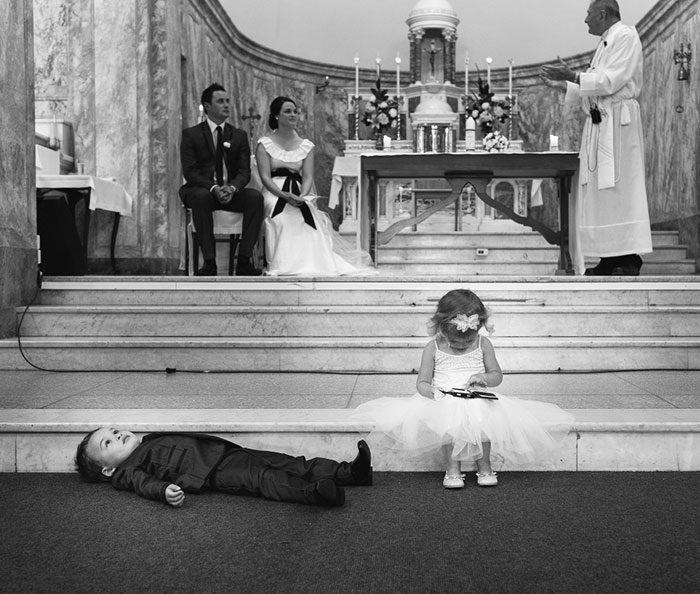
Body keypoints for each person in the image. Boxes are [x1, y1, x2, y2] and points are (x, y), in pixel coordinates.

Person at [352, 289, 574, 488]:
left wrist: (484, 377)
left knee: (484, 425)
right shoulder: (432, 348)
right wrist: (431, 392)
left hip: (476, 395)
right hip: (444, 397)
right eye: (456, 343)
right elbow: (421, 383)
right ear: (441, 328)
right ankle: (452, 468)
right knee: (448, 428)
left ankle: (484, 465)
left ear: (478, 329)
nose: (461, 346)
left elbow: (497, 376)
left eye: (466, 343)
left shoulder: (483, 344)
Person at [540, 0, 652, 276]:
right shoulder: (604, 44)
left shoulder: (625, 36)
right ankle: (610, 257)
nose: (586, 20)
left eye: (588, 14)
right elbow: (595, 83)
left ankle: (629, 258)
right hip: (602, 121)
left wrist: (574, 76)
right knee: (604, 195)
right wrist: (566, 83)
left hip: (618, 123)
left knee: (620, 190)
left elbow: (610, 81)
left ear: (603, 13)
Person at [75, 427, 373, 507]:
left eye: (114, 431)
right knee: (264, 478)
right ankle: (316, 493)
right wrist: (164, 490)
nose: (116, 435)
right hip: (213, 473)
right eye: (108, 443)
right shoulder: (126, 472)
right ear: (108, 470)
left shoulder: (145, 443)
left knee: (285, 461)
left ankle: (348, 472)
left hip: (221, 452)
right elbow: (144, 484)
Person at [255, 96, 375, 276]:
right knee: (279, 216)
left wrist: (302, 197)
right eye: (288, 111)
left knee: (308, 216)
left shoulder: (306, 145)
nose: (293, 114)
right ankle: (282, 264)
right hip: (274, 190)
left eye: (295, 111)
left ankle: (313, 263)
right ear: (276, 116)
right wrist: (284, 195)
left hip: (298, 191)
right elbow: (264, 177)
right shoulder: (264, 144)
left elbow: (308, 176)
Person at [179, 83, 264, 276]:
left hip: (230, 192)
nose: (226, 105)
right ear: (207, 106)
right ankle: (209, 263)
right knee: (200, 197)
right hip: (203, 191)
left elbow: (244, 171)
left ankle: (244, 261)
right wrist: (214, 187)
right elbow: (190, 172)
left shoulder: (239, 135)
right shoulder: (191, 134)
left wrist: (232, 188)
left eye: (227, 101)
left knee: (255, 198)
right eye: (220, 101)